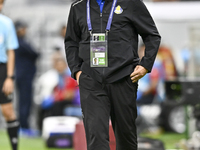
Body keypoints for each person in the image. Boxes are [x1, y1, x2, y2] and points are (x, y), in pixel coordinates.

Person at [65, 0, 161, 149]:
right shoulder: (78, 6)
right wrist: (76, 71)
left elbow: (152, 36)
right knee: (96, 137)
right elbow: (71, 42)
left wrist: (145, 66)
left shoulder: (131, 3)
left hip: (123, 77)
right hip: (91, 80)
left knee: (126, 136)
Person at [0, 0, 19, 149]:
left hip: (2, 69)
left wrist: (10, 77)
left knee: (7, 111)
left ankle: (14, 146)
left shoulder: (6, 23)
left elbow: (11, 51)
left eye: (1, 3)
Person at [14, 20, 39, 135]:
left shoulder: (20, 41)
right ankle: (23, 126)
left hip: (24, 76)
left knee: (24, 101)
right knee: (25, 102)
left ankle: (24, 125)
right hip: (25, 76)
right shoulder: (20, 42)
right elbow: (35, 53)